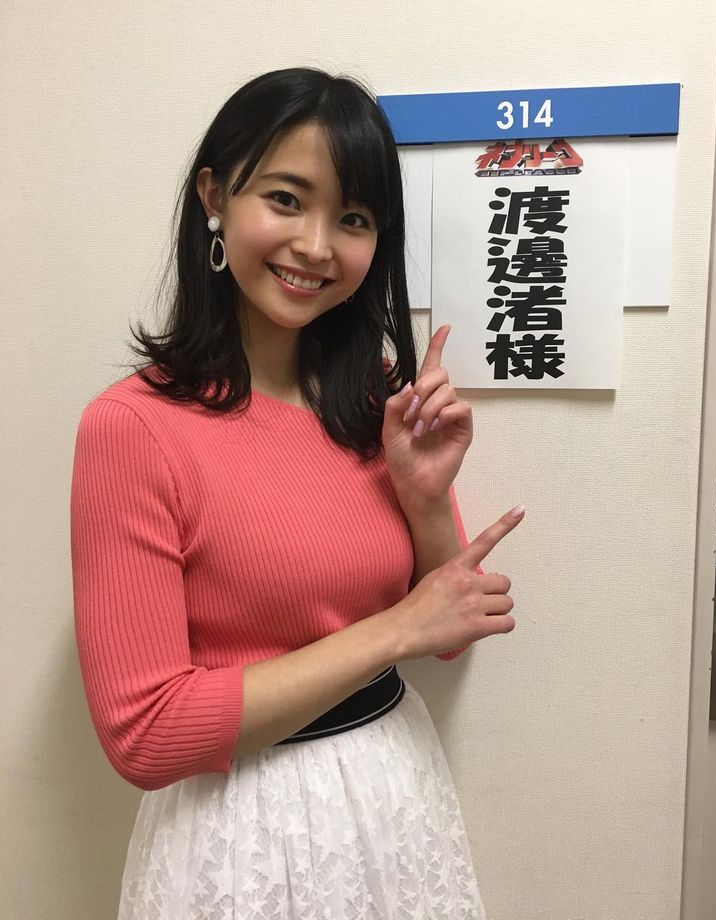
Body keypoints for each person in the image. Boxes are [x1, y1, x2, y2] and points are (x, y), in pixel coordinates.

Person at [70, 66, 524, 920]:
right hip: (239, 830)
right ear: (215, 196)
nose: (317, 246)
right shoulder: (132, 428)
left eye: (353, 219)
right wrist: (399, 628)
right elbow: (146, 735)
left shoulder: (370, 401)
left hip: (395, 794)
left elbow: (448, 637)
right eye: (286, 199)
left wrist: (425, 498)